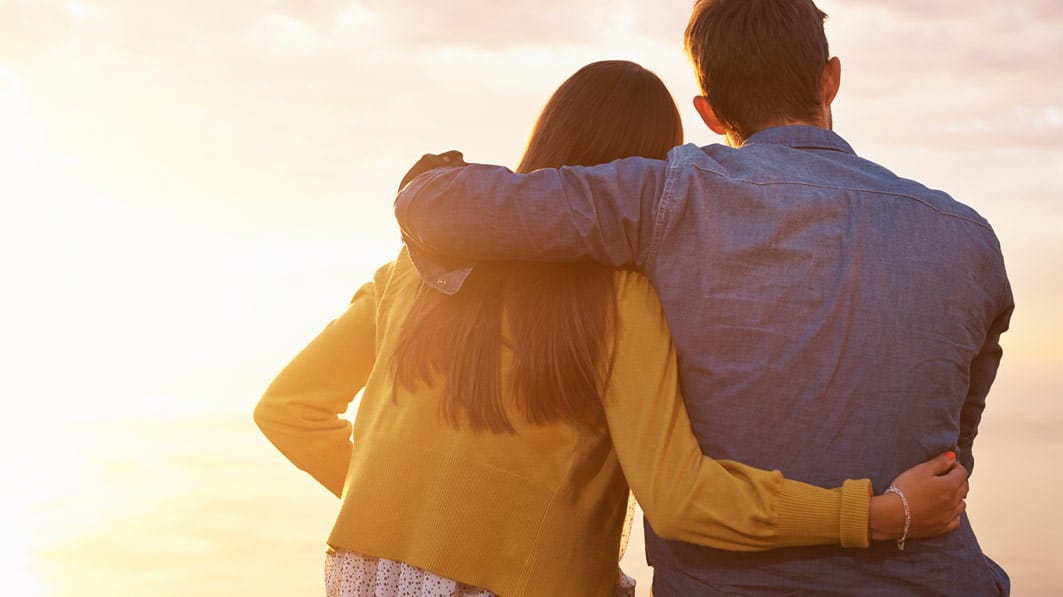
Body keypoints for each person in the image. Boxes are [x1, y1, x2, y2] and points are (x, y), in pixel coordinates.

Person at [256, 61, 967, 597]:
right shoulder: (621, 298)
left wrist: (405, 507)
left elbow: (286, 411)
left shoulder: (414, 269)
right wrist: (877, 512)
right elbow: (681, 498)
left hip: (363, 573)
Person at [393, 2, 1014, 595]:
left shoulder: (666, 198)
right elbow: (953, 462)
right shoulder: (970, 237)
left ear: (710, 112)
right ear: (831, 80)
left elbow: (442, 210)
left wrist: (424, 179)